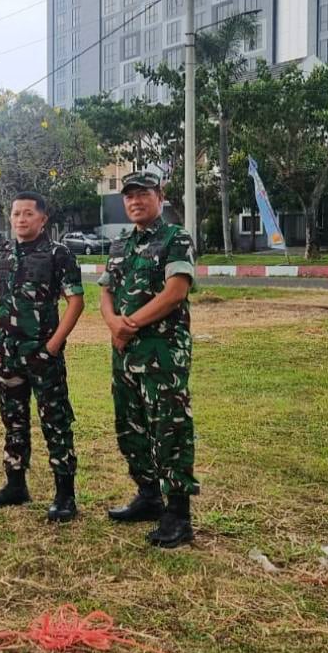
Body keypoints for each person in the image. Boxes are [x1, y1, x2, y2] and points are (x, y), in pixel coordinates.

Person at [99, 171, 199, 548]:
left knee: (168, 428)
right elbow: (106, 292)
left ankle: (177, 514)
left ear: (160, 196)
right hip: (125, 354)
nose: (135, 201)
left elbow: (176, 291)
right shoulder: (121, 245)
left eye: (143, 194)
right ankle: (148, 495)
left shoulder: (176, 238)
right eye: (129, 196)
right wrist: (112, 323)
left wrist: (131, 324)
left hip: (162, 356)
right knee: (131, 426)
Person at [0, 193, 85, 522]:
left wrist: (53, 346)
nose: (21, 219)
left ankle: (65, 495)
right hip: (7, 353)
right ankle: (15, 484)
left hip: (42, 355)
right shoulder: (1, 251)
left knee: (55, 423)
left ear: (43, 219)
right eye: (16, 214)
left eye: (28, 214)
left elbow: (76, 301)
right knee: (13, 420)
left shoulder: (58, 254)